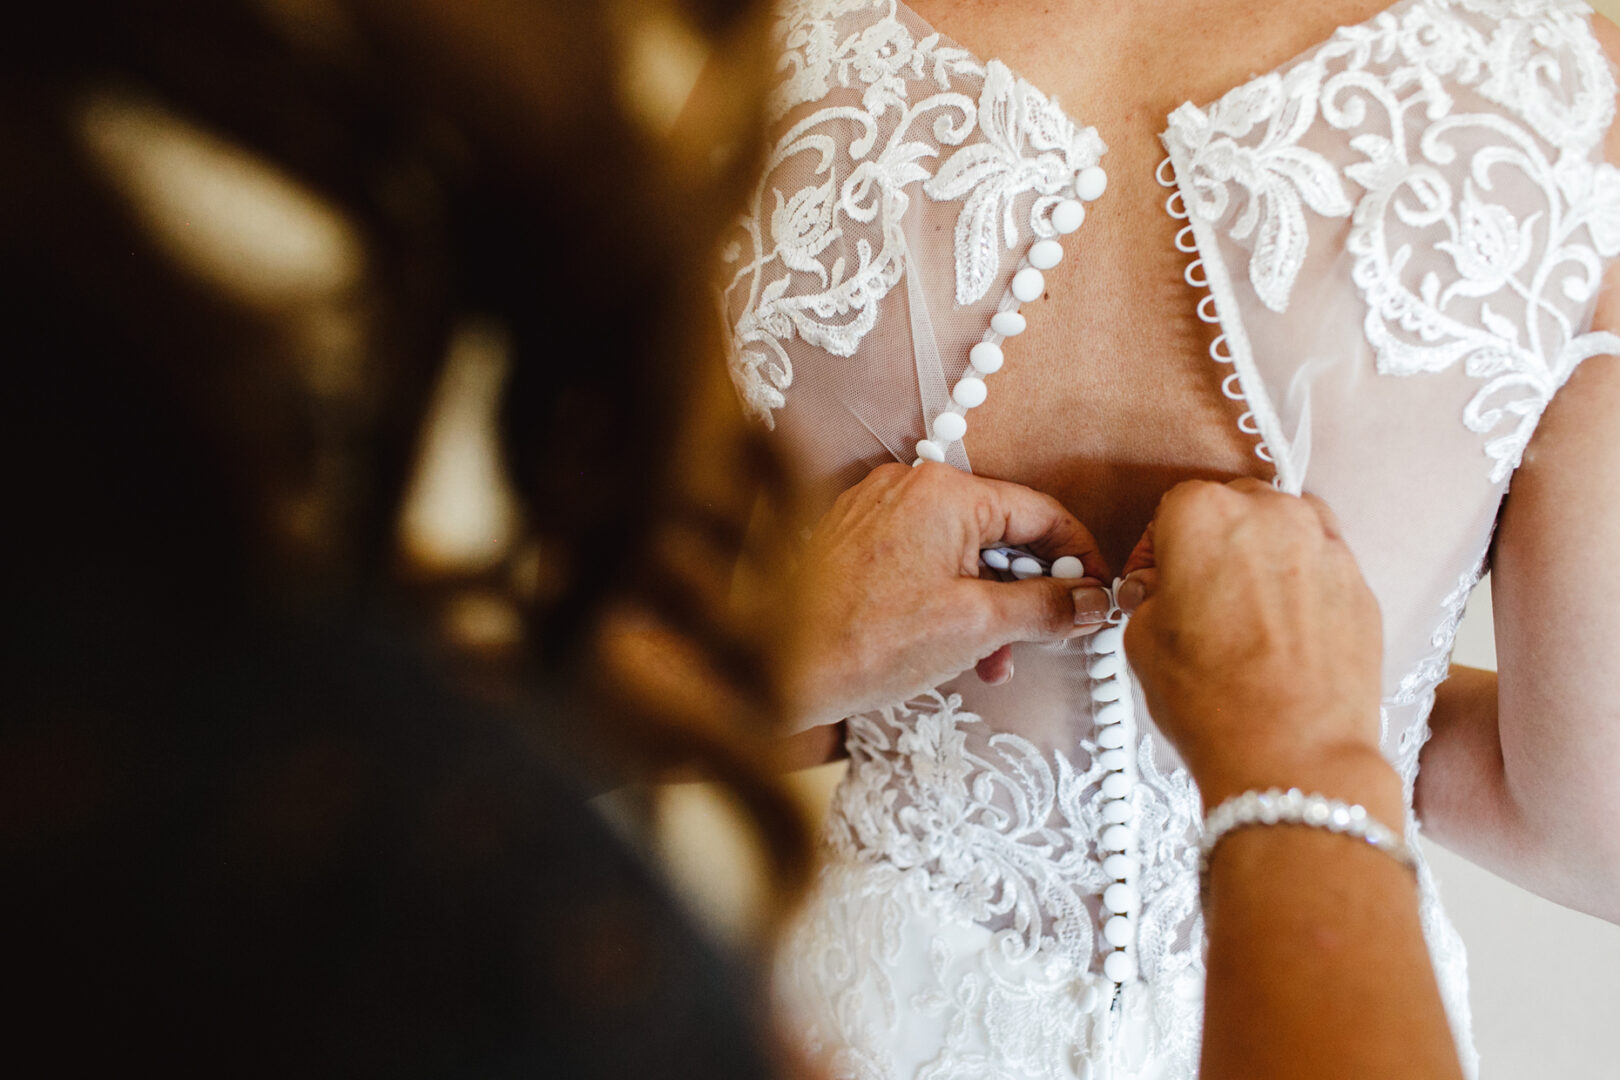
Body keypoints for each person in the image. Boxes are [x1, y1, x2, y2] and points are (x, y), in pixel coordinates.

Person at [723, 1, 1620, 1077]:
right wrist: (1341, 717)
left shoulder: (754, 45)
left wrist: (781, 656)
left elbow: (602, 674)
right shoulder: (1563, 87)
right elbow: (1587, 823)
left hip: (861, 1013)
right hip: (1335, 991)